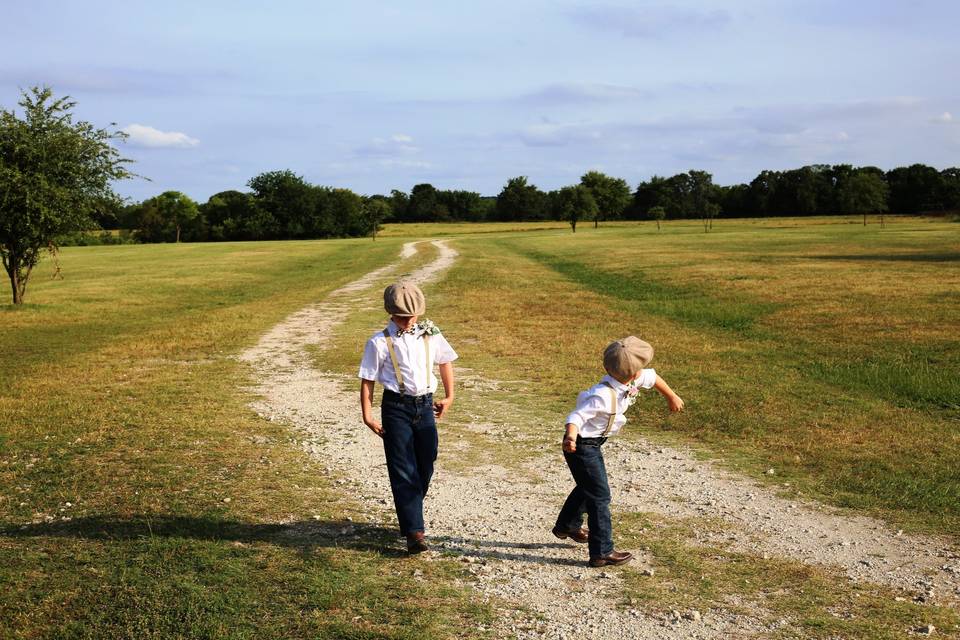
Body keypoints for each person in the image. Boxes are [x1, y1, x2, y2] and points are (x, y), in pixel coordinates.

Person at [553, 336, 684, 567]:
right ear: (634, 373)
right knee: (600, 496)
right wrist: (571, 437)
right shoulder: (601, 395)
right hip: (581, 445)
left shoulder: (634, 379)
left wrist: (671, 396)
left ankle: (568, 525)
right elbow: (576, 416)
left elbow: (653, 378)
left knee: (590, 486)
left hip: (594, 442)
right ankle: (601, 551)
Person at [358, 281, 457, 553]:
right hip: (396, 408)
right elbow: (368, 380)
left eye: (412, 317)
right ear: (391, 312)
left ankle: (409, 510)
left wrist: (449, 397)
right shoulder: (378, 342)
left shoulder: (430, 333)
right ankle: (415, 533)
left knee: (427, 461)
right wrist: (367, 415)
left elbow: (445, 361)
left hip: (425, 406)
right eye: (402, 317)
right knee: (402, 467)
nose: (407, 321)